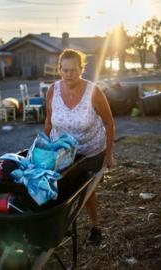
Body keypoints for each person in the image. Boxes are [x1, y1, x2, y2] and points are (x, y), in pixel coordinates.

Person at [44, 48, 115, 245]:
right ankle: (58, 226)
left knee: (87, 191)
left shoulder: (94, 91)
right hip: (62, 151)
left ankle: (95, 227)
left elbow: (109, 123)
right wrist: (44, 148)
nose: (69, 74)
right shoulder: (52, 90)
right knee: (59, 188)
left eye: (73, 70)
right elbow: (49, 122)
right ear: (59, 69)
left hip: (90, 151)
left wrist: (109, 155)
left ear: (81, 69)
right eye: (65, 70)